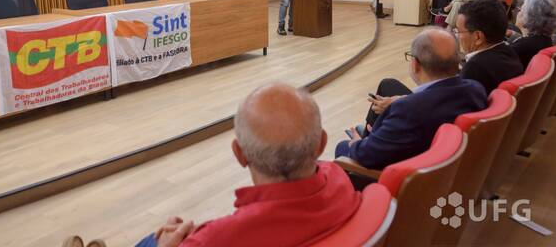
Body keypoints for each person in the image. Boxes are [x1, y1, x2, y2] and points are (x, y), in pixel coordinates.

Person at [65, 83, 361, 247]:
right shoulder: (342, 182)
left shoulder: (216, 240)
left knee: (151, 242)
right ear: (321, 144)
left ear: (239, 154)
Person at [335, 28, 487, 170]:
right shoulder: (476, 89)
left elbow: (366, 156)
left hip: (407, 174)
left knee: (343, 146)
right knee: (389, 85)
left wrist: (357, 144)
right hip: (451, 167)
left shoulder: (409, 110)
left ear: (415, 64)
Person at [455, 0, 524, 95]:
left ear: (478, 37)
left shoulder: (475, 68)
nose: (457, 35)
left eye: (458, 31)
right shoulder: (509, 52)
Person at [508, 0, 556, 68]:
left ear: (528, 18)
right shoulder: (546, 39)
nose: (518, 13)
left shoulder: (522, 46)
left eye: (521, 10)